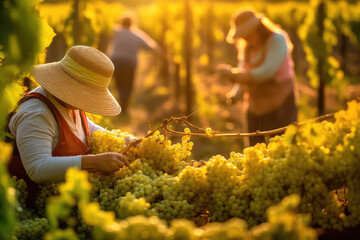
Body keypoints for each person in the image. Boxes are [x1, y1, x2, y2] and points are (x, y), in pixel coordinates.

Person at [7, 45, 132, 204]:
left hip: (57, 201)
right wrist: (94, 162)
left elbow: (87, 127)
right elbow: (37, 168)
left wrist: (123, 139)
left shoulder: (68, 102)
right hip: (25, 204)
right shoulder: (37, 113)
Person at [218, 8, 298, 145]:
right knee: (254, 148)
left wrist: (234, 76)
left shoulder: (277, 40)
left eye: (247, 35)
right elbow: (243, 68)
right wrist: (235, 93)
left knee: (282, 146)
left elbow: (267, 71)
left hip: (281, 104)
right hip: (255, 105)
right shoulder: (247, 46)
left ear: (258, 29)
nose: (245, 39)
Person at [108, 12, 161, 114]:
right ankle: (124, 108)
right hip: (129, 63)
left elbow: (105, 34)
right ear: (132, 23)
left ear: (121, 22)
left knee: (119, 84)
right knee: (128, 85)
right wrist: (161, 53)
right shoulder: (136, 34)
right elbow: (151, 46)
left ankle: (120, 105)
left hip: (116, 62)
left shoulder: (115, 31)